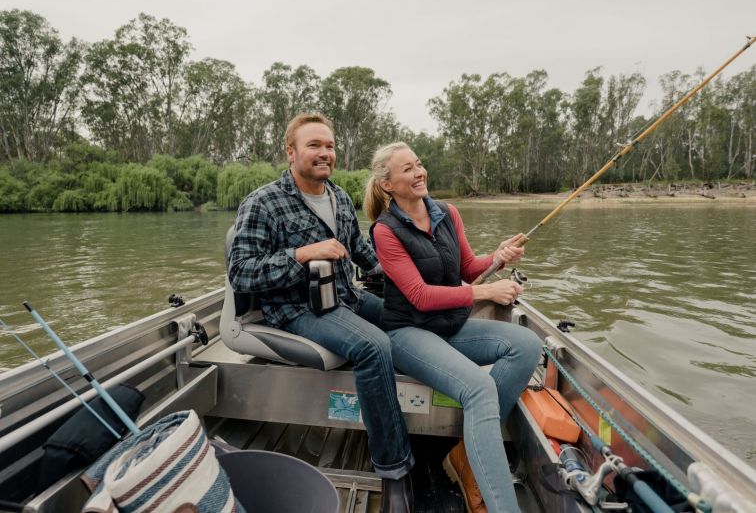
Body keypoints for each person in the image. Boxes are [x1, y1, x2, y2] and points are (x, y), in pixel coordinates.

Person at [228, 114, 414, 513]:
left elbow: (363, 255)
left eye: (329, 146)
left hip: (346, 296)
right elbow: (241, 274)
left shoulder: (340, 197)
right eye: (314, 145)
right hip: (296, 310)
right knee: (374, 346)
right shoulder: (263, 203)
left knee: (410, 316)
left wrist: (411, 277)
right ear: (290, 151)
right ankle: (395, 471)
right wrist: (302, 254)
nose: (324, 153)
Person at [365, 142, 543, 513]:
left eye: (419, 165)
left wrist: (497, 256)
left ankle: (466, 452)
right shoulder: (385, 231)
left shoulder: (447, 212)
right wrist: (486, 291)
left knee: (527, 346)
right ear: (387, 185)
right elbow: (419, 296)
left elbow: (466, 267)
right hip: (408, 332)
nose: (419, 173)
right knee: (479, 389)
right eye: (407, 170)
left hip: (451, 325)